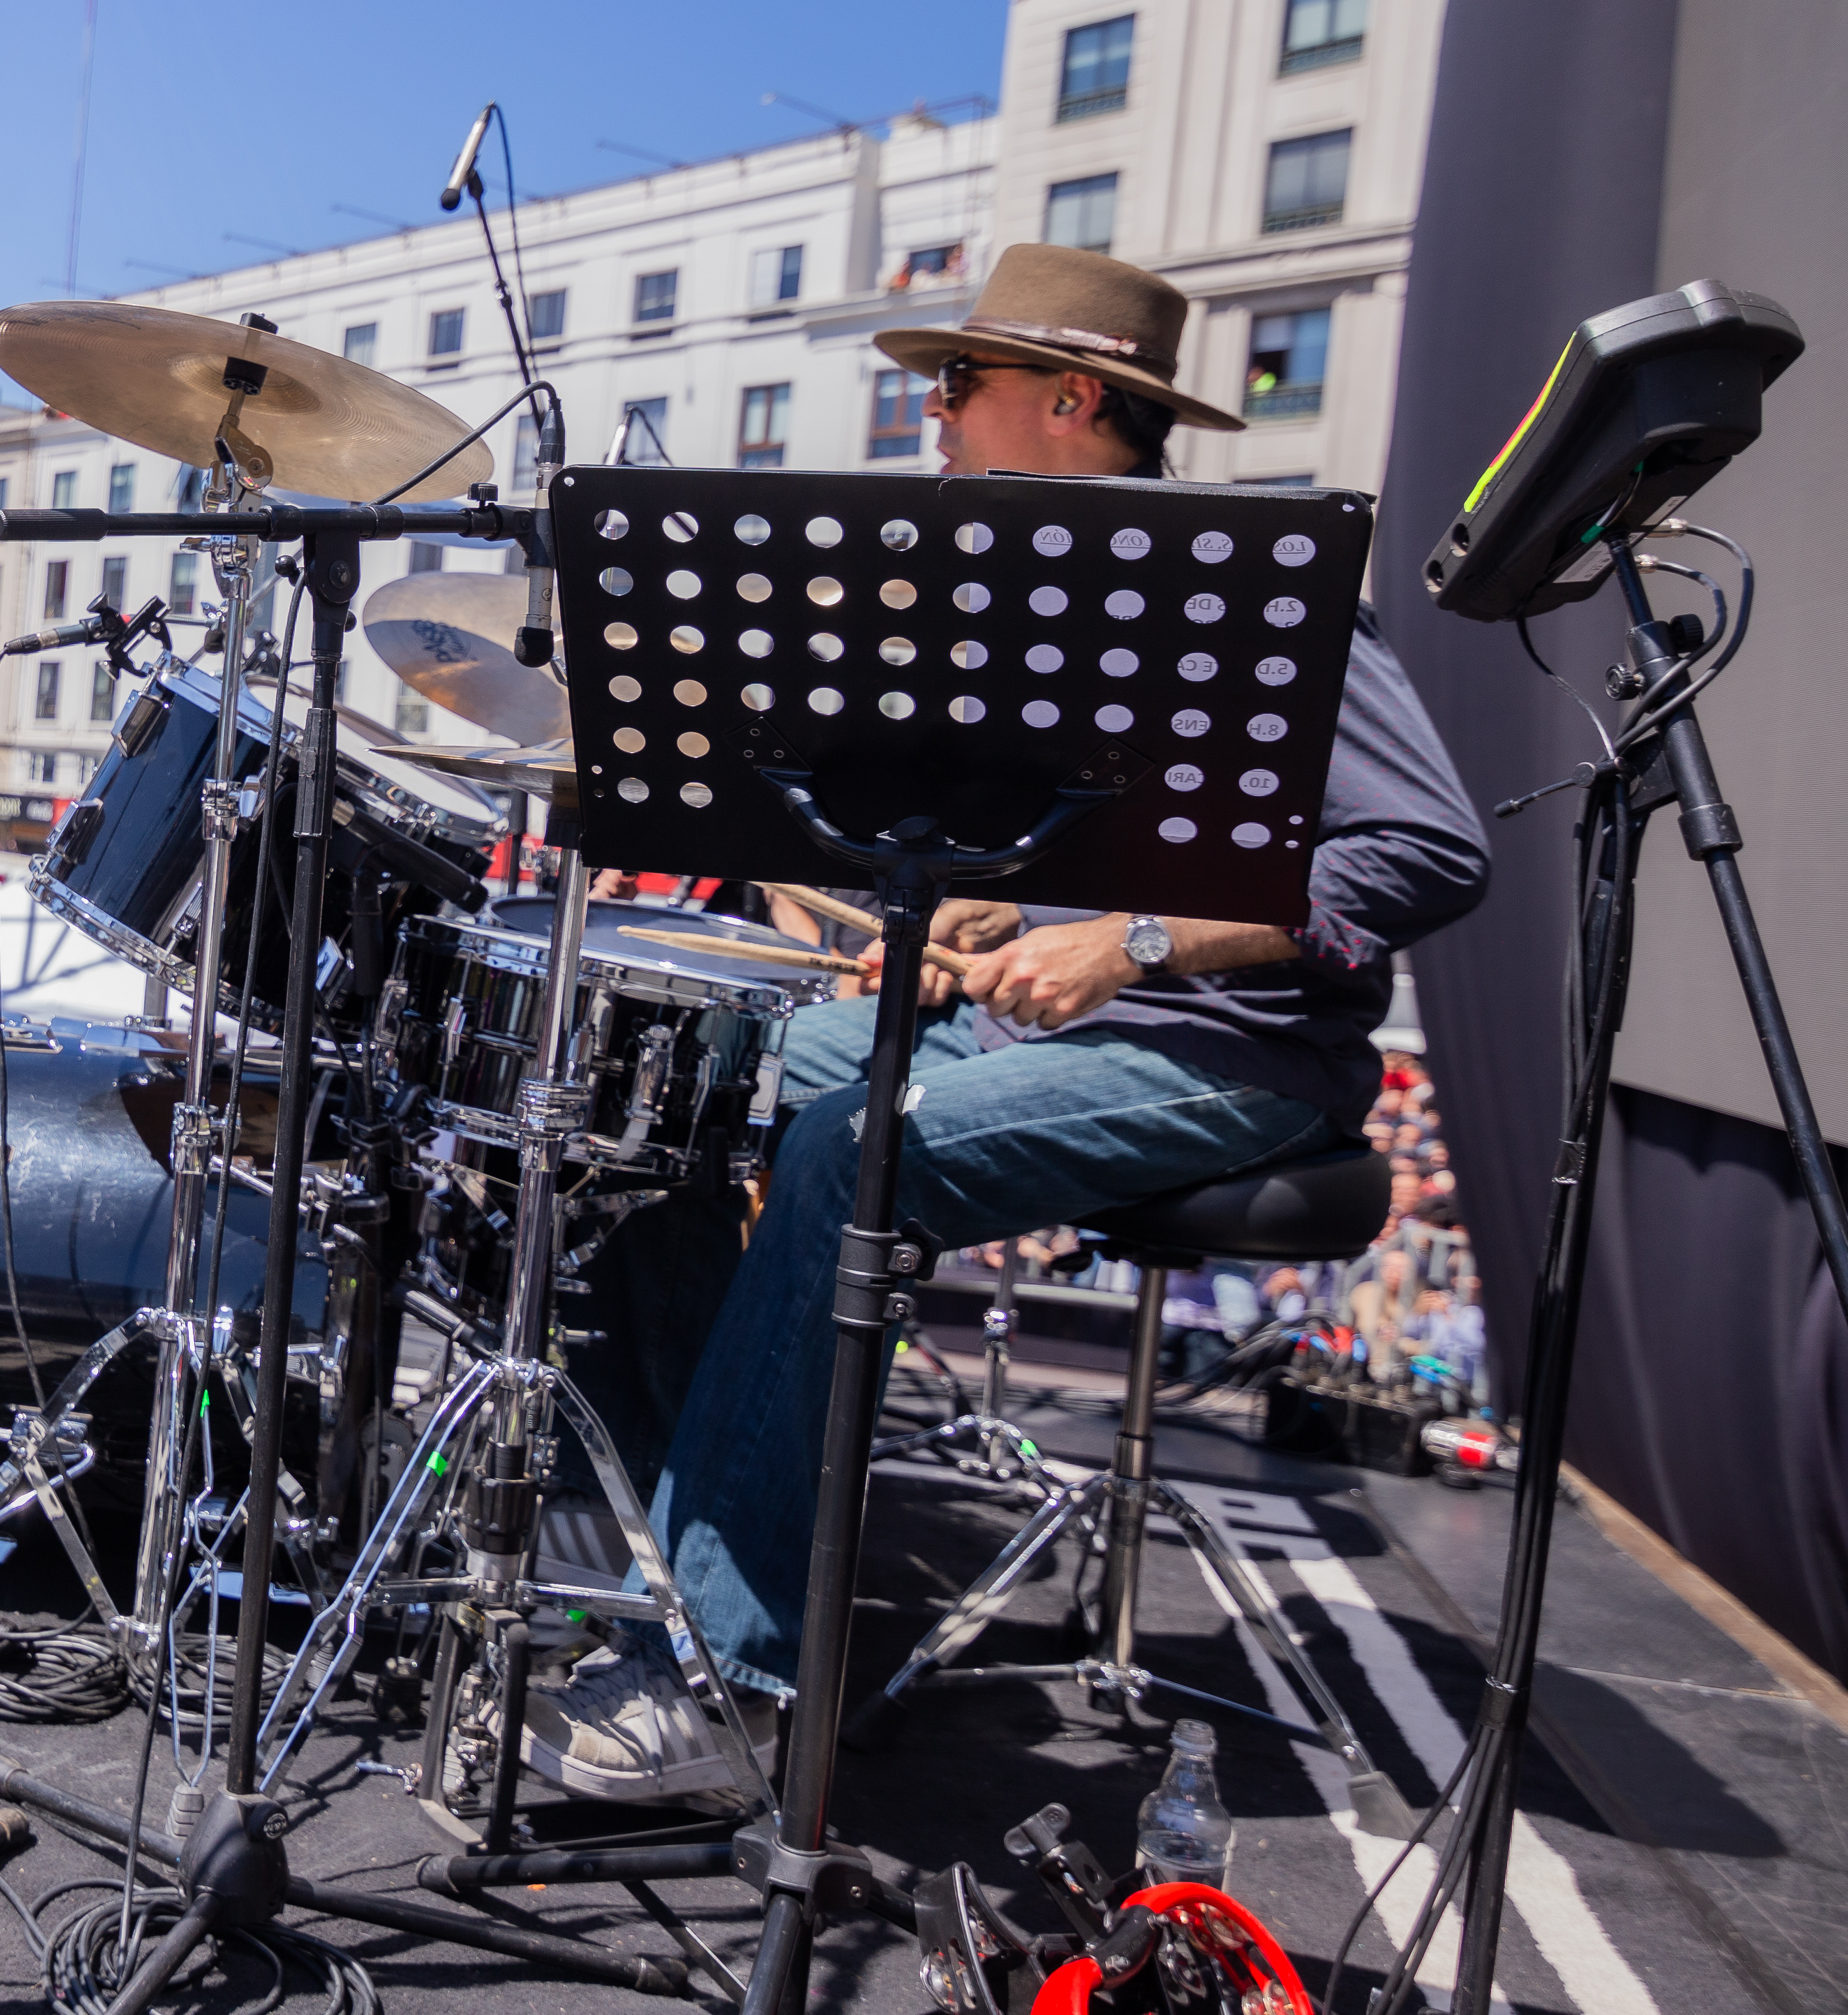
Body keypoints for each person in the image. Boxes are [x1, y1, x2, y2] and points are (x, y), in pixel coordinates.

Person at [521, 245, 1493, 1804]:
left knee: (849, 1154)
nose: (934, 413)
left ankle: (733, 1673)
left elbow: (1429, 853)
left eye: (957, 384)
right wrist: (1002, 909)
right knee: (670, 1086)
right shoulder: (1043, 595)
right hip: (1063, 1022)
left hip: (1232, 1055)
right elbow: (1116, 841)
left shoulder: (1257, 579)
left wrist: (1137, 939)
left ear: (1074, 400)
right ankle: (684, 1549)